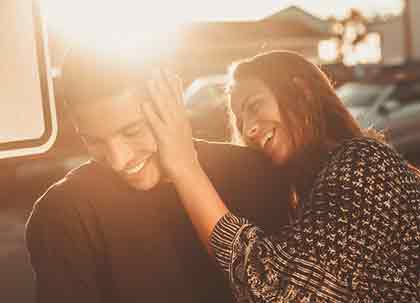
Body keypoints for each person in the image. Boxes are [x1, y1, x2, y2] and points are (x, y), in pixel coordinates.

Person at [143, 50, 420, 302]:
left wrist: (184, 165)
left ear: (301, 92)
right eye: (240, 121)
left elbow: (281, 289)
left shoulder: (364, 162)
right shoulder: (310, 191)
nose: (249, 128)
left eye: (254, 106)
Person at [25, 48, 292, 302]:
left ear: (172, 103)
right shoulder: (63, 213)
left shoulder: (254, 175)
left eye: (132, 131)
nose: (119, 160)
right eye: (94, 141)